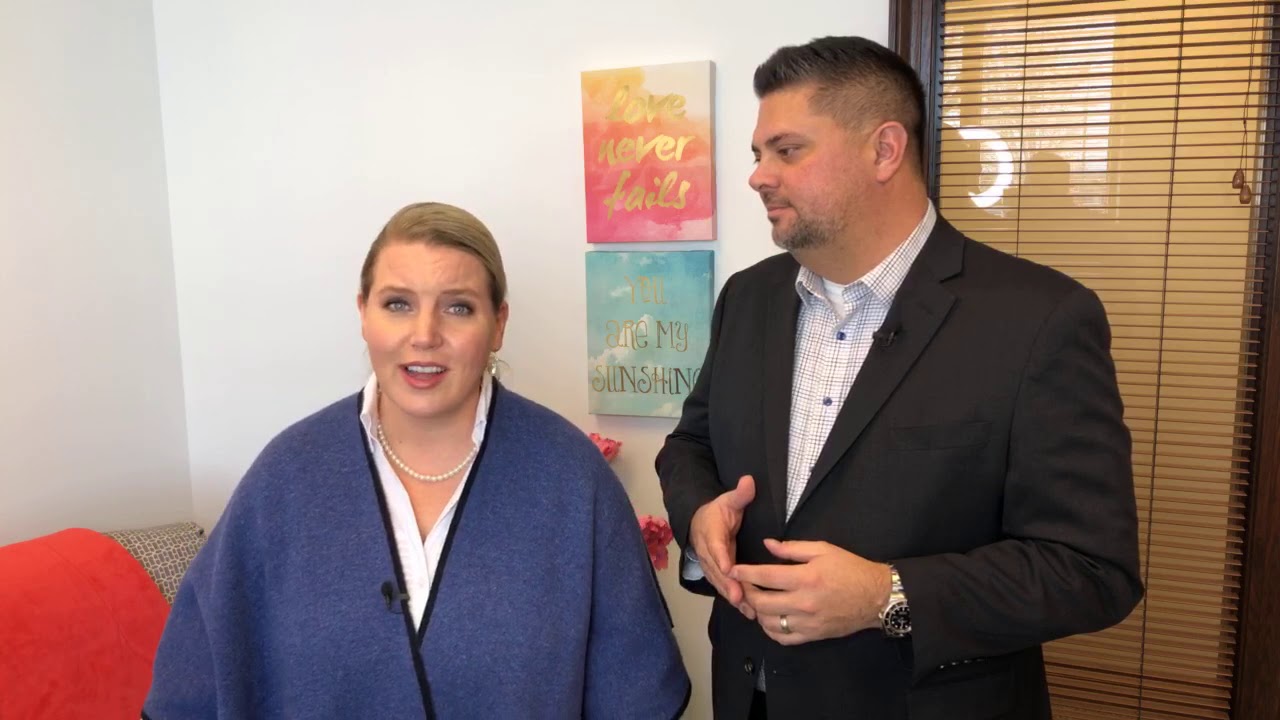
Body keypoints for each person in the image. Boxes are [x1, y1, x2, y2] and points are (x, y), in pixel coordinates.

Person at [657, 36, 1142, 720]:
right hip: (750, 694)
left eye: (787, 150)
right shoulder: (749, 296)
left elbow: (1091, 571)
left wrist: (887, 596)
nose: (759, 176)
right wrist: (700, 512)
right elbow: (690, 445)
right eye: (758, 154)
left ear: (884, 150)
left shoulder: (1040, 319)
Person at [145, 202, 690, 719]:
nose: (424, 335)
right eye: (398, 304)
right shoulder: (285, 476)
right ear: (363, 313)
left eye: (458, 307)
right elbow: (196, 677)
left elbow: (633, 691)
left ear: (498, 324)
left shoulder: (572, 480)